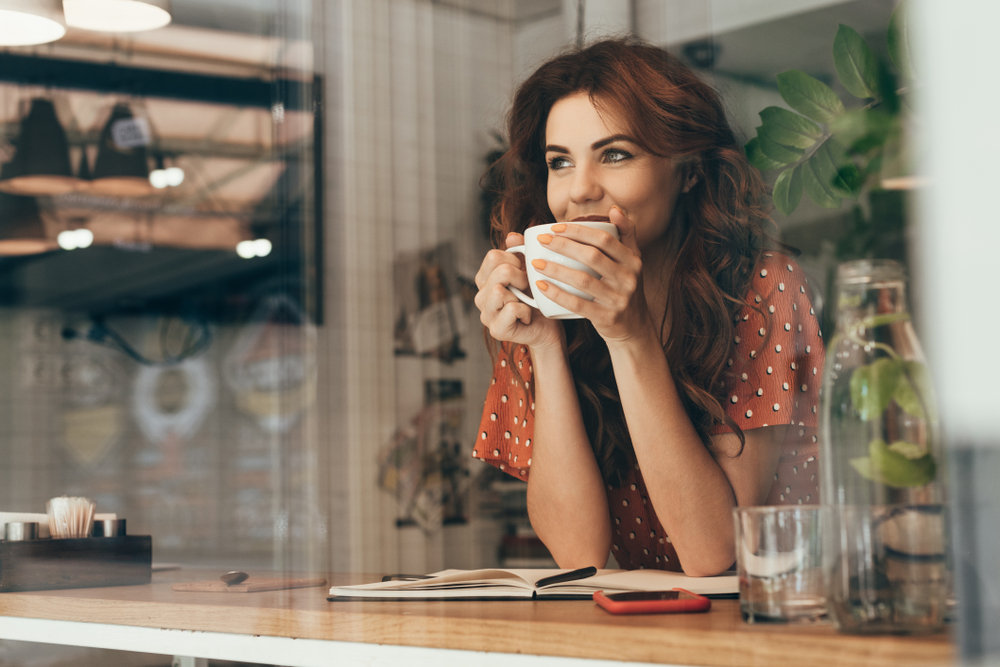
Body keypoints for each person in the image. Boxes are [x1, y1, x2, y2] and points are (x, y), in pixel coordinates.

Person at [472, 38, 824, 576]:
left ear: (688, 172)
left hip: (782, 627)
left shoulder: (762, 288)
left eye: (615, 154)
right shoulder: (547, 306)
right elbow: (578, 554)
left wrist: (628, 335)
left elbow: (713, 553)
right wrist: (545, 347)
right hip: (653, 635)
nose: (579, 190)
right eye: (559, 162)